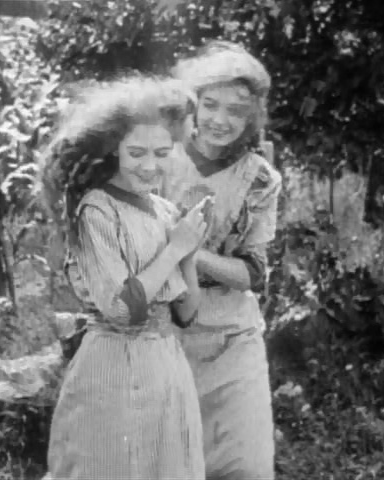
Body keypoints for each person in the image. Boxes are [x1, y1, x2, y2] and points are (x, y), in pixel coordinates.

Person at [42, 75, 208, 480]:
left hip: (166, 369)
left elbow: (186, 313)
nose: (150, 166)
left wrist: (189, 250)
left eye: (162, 153)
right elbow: (121, 310)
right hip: (113, 370)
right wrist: (174, 250)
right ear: (113, 148)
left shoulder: (165, 211)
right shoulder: (97, 210)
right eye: (136, 152)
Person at [160, 40, 282, 480]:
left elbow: (253, 273)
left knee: (247, 466)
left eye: (236, 111)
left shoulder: (260, 179)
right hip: (161, 336)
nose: (219, 120)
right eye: (209, 105)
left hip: (233, 339)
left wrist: (192, 251)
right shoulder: (158, 156)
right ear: (191, 104)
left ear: (252, 117)